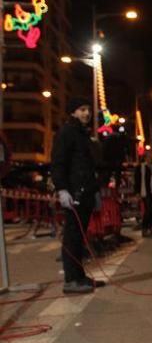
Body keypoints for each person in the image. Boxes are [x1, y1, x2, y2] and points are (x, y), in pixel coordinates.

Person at [51, 96, 105, 295]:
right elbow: (58, 162)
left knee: (79, 236)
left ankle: (79, 275)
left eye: (88, 109)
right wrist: (62, 189)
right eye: (82, 109)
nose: (87, 113)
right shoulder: (67, 132)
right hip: (74, 193)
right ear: (73, 112)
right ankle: (71, 279)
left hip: (85, 191)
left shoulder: (83, 134)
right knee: (72, 235)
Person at [136, 149, 152, 238]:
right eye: (149, 157)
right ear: (145, 157)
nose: (151, 159)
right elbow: (137, 180)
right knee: (148, 210)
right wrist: (137, 192)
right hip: (145, 192)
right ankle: (145, 228)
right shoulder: (141, 167)